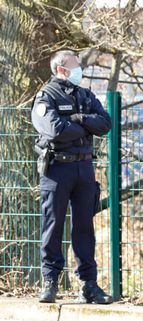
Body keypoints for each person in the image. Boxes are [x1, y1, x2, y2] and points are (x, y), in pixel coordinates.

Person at [31, 50, 112, 304]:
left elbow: (105, 124)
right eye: (76, 66)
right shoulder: (47, 95)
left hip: (84, 169)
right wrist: (84, 126)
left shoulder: (85, 95)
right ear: (61, 69)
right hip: (57, 169)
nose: (80, 70)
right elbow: (54, 130)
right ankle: (50, 281)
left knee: (85, 228)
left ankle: (89, 284)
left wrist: (77, 119)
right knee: (53, 226)